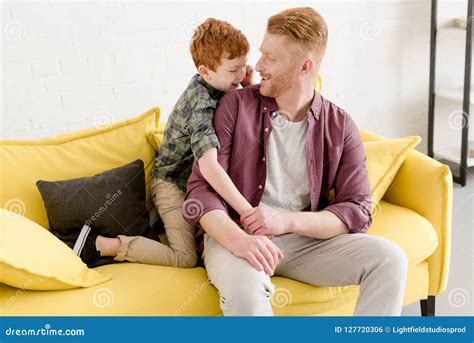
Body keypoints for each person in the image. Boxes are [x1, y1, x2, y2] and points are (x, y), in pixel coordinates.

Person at [184, 7, 409, 316]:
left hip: (304, 242)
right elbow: (200, 190)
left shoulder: (339, 125)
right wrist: (239, 240)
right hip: (237, 237)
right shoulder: (234, 106)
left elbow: (356, 210)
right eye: (261, 54)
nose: (258, 65)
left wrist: (287, 221)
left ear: (305, 67)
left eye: (271, 59)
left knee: (390, 259)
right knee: (245, 292)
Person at [75, 18, 254, 268]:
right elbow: (210, 166)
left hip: (192, 184)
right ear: (205, 71)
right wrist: (247, 211)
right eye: (234, 70)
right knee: (186, 259)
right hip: (173, 186)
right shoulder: (201, 105)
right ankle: (103, 244)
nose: (241, 75)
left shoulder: (217, 83)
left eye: (244, 66)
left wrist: (247, 84)